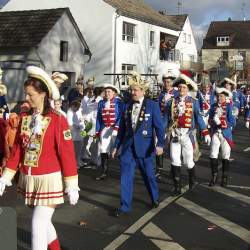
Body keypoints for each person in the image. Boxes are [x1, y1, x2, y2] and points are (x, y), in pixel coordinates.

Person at [0, 66, 79, 250]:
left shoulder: (58, 119)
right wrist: (5, 177)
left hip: (49, 180)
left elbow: (66, 155)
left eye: (30, 95)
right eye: (26, 94)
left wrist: (71, 185)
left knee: (37, 225)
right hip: (29, 179)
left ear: (43, 94)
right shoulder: (25, 117)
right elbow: (18, 149)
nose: (26, 99)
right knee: (44, 224)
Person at [112, 72, 165, 217]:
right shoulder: (127, 106)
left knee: (149, 176)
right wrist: (116, 146)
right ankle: (124, 206)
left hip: (145, 148)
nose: (132, 92)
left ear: (143, 91)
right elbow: (122, 128)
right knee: (125, 177)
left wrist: (160, 144)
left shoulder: (152, 105)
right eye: (131, 90)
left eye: (135, 90)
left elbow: (159, 127)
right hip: (128, 148)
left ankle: (154, 198)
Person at [164, 72, 211, 195]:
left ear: (187, 89)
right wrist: (163, 132)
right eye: (179, 87)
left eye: (184, 87)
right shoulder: (171, 102)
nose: (181, 89)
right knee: (174, 160)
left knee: (188, 161)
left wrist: (205, 132)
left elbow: (199, 118)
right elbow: (165, 119)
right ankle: (177, 187)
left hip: (187, 135)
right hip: (175, 134)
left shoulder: (193, 102)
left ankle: (192, 181)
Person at [95, 83, 123, 180]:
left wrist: (117, 127)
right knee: (103, 149)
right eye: (105, 92)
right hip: (105, 128)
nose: (107, 93)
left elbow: (121, 116)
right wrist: (97, 130)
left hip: (116, 129)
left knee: (118, 150)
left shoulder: (119, 102)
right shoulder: (101, 103)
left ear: (114, 93)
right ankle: (104, 172)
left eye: (109, 92)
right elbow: (98, 117)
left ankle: (123, 172)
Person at [208, 87, 235, 187]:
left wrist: (222, 122)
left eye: (221, 96)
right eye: (218, 96)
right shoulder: (213, 106)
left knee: (225, 155)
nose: (219, 98)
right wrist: (212, 121)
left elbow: (233, 122)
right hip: (215, 132)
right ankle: (214, 176)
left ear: (225, 97)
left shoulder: (229, 107)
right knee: (213, 154)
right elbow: (210, 119)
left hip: (225, 133)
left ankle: (224, 178)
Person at [156, 74, 178, 180]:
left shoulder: (177, 93)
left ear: (173, 82)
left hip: (173, 124)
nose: (166, 84)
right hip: (162, 123)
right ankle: (159, 169)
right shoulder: (161, 94)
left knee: (172, 147)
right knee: (159, 144)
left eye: (168, 81)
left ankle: (173, 168)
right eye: (165, 82)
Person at [67, 100, 85, 169]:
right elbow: (70, 124)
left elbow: (79, 119)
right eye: (76, 108)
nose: (77, 109)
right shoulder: (70, 112)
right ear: (73, 106)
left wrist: (81, 121)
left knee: (80, 147)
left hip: (79, 132)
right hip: (74, 133)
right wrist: (77, 126)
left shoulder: (76, 111)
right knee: (74, 149)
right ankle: (74, 163)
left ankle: (78, 160)